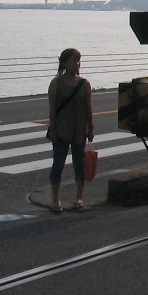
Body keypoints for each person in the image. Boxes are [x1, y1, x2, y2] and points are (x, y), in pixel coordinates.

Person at [47, 47, 94, 212]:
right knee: (58, 164)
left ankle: (79, 197)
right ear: (65, 63)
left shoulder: (84, 84)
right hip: (61, 129)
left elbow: (88, 108)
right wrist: (52, 129)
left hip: (79, 129)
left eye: (78, 60)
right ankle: (55, 199)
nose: (77, 64)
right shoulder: (56, 83)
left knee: (79, 164)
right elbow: (52, 109)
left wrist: (91, 127)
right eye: (74, 60)